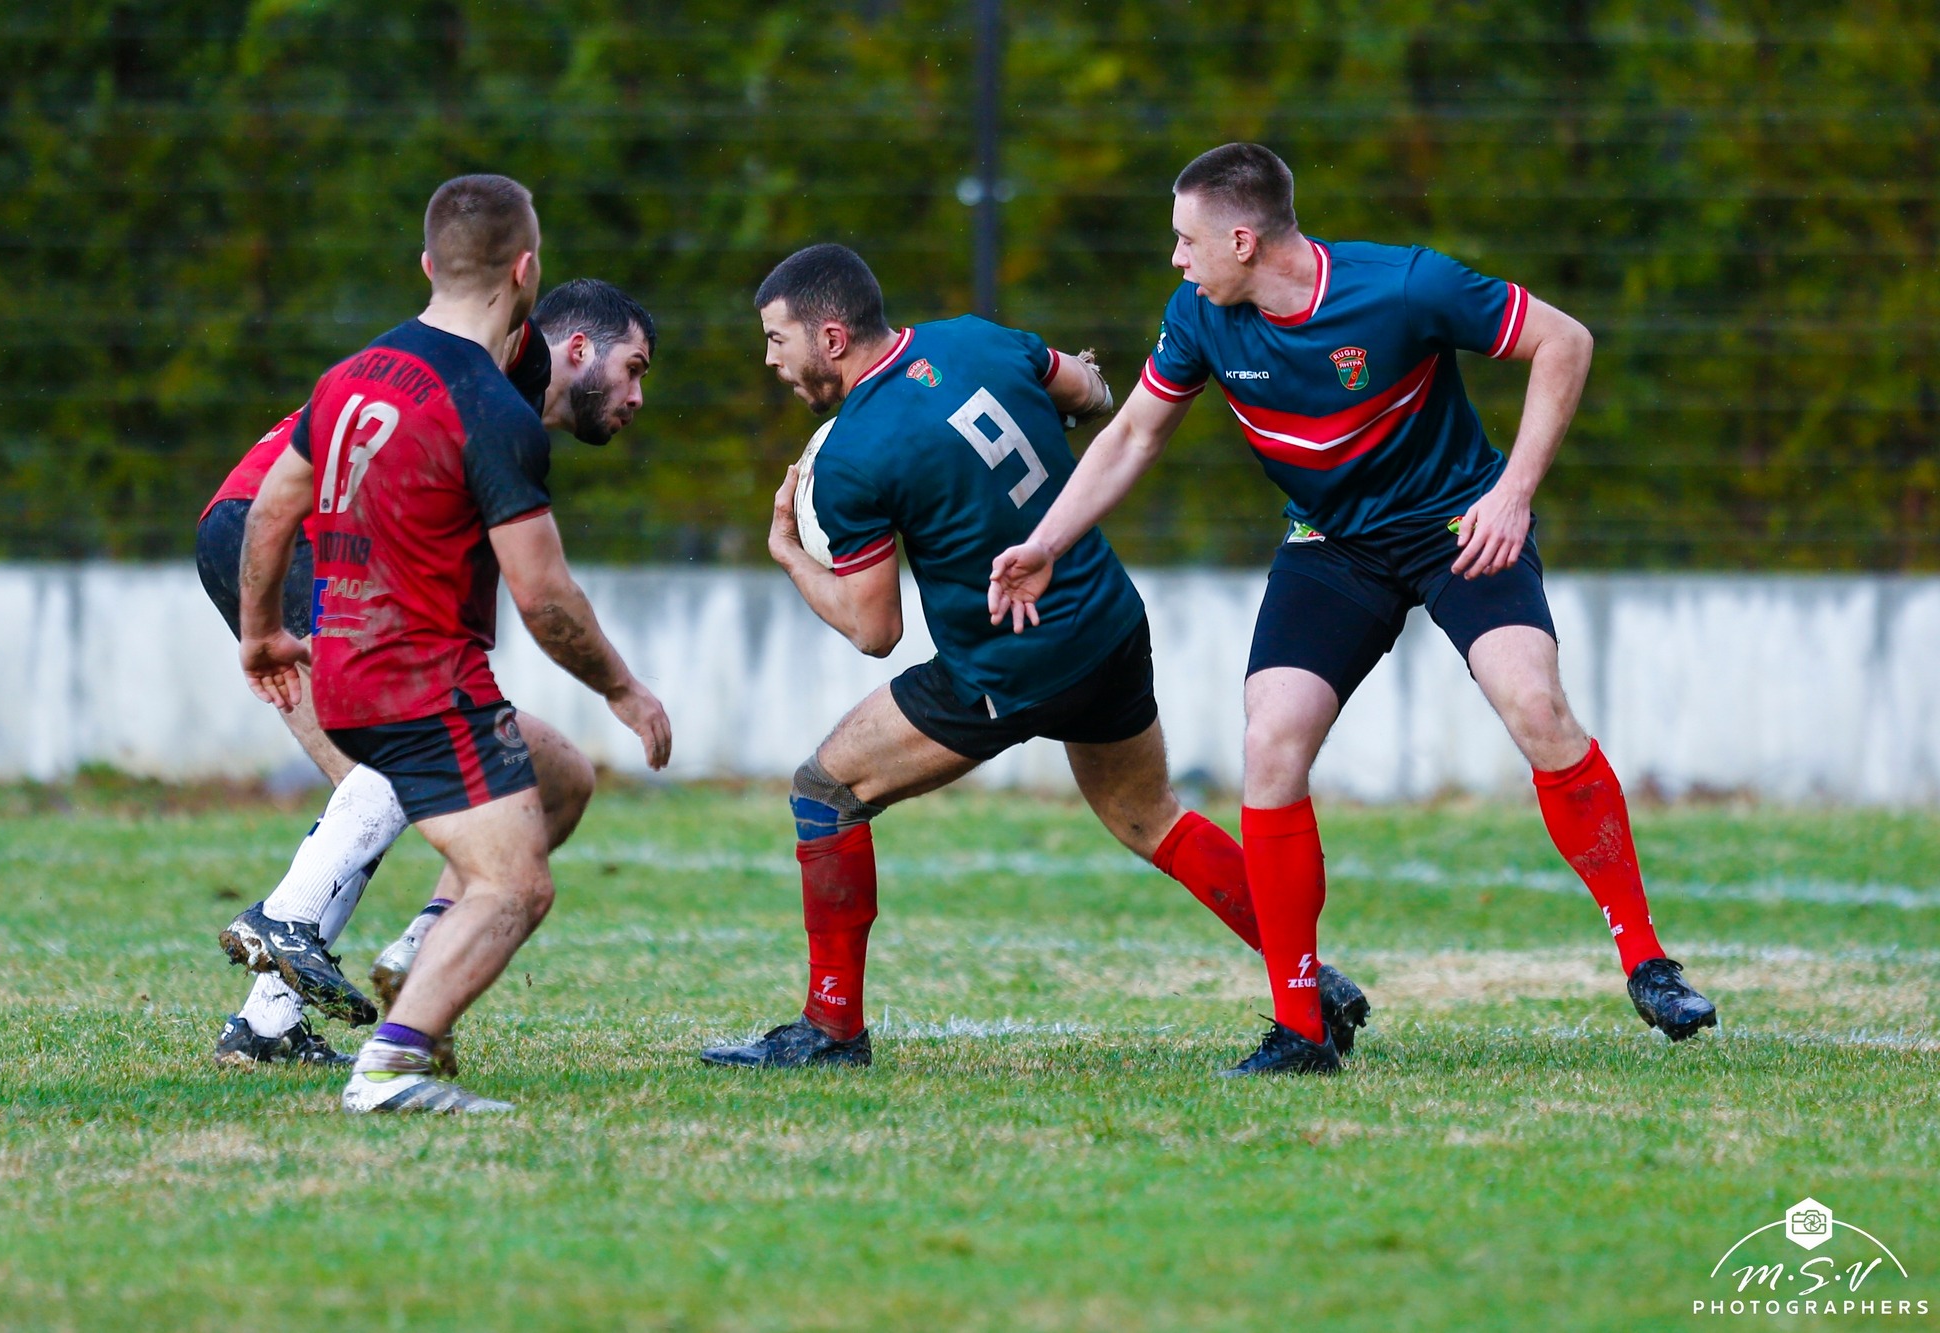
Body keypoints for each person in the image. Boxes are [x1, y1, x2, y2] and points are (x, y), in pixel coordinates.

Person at [988, 143, 1717, 1076]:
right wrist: (1047, 542)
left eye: (1186, 240)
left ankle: (1648, 963)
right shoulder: (1200, 315)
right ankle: (1301, 1027)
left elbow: (1563, 341)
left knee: (1536, 705)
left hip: (1456, 525)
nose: (1176, 259)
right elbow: (1133, 433)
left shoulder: (1404, 286)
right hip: (1332, 546)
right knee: (1270, 740)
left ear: (1243, 241)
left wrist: (1513, 494)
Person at [699, 243, 1368, 1071]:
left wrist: (790, 556)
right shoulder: (978, 338)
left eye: (778, 339)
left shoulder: (851, 456)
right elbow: (1090, 390)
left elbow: (875, 630)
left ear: (831, 338)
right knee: (1151, 815)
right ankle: (1308, 978)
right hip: (1107, 625)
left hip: (1006, 665)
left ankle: (831, 1029)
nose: (771, 359)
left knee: (825, 791)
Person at [238, 174, 672, 1113]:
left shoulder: (349, 375)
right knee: (515, 885)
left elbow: (271, 507)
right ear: (526, 271)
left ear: (429, 263)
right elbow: (544, 596)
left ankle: (402, 966)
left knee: (556, 787)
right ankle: (388, 1063)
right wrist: (623, 689)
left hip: (345, 673)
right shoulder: (489, 407)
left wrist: (262, 631)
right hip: (422, 680)